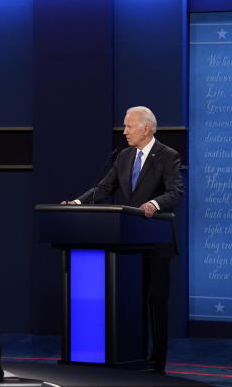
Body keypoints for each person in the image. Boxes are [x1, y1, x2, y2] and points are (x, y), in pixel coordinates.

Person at [63, 105, 183, 372]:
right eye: (125, 126)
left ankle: (157, 362)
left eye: (129, 126)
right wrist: (78, 202)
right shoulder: (124, 156)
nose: (125, 131)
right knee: (133, 303)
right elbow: (104, 188)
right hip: (129, 245)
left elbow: (175, 193)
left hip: (156, 242)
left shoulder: (168, 156)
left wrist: (154, 204)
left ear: (146, 128)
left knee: (156, 305)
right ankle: (133, 357)